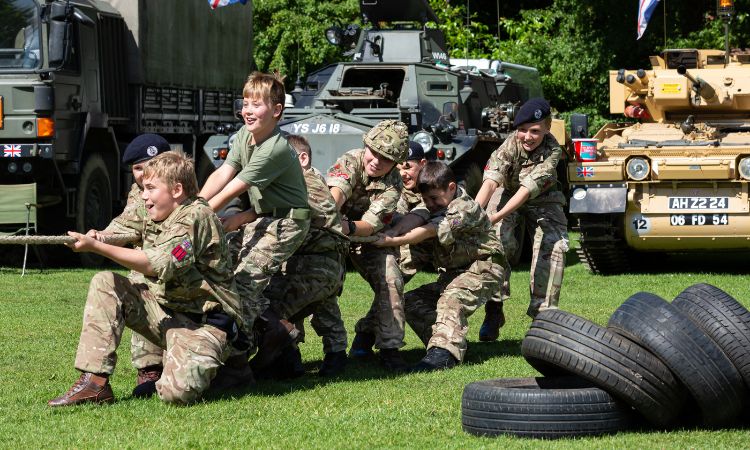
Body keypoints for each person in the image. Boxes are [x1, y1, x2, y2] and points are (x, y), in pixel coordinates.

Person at [48, 151, 245, 406]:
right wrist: (100, 236)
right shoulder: (152, 208)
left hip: (204, 325)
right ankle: (94, 384)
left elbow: (158, 264)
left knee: (176, 395)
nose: (144, 195)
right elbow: (120, 228)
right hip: (168, 314)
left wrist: (97, 248)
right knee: (106, 283)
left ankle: (230, 367)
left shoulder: (196, 217)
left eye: (151, 188)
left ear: (176, 190)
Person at [198, 71, 310, 367]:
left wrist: (198, 216)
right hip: (262, 216)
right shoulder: (245, 137)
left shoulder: (275, 147)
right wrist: (196, 205)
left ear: (276, 111)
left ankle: (235, 363)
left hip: (287, 223)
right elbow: (223, 172)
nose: (248, 110)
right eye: (245, 103)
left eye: (256, 104)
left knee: (244, 284)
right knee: (224, 272)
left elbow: (237, 186)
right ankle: (280, 333)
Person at [374, 161, 506, 371]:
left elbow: (430, 229)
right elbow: (416, 216)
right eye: (426, 199)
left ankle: (443, 355)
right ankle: (446, 342)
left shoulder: (464, 208)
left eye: (434, 198)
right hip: (454, 273)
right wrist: (393, 231)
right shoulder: (432, 203)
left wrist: (394, 241)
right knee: (412, 302)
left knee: (453, 297)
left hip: (485, 266)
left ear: (451, 188)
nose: (430, 203)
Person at [474, 98, 569, 336]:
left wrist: (494, 218)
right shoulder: (509, 145)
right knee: (496, 240)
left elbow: (526, 193)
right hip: (507, 193)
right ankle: (494, 308)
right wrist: (475, 215)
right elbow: (490, 182)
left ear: (547, 128)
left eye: (535, 131)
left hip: (543, 199)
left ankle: (542, 317)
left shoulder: (552, 152)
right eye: (522, 130)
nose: (527, 136)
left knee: (555, 245)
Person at [85, 133, 170, 395]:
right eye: (137, 168)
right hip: (152, 273)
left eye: (150, 165)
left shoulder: (185, 193)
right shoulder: (138, 195)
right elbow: (126, 224)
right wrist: (100, 237)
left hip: (184, 285)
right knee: (138, 283)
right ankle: (149, 368)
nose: (143, 175)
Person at [259, 135, 350, 378]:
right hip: (325, 262)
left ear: (302, 159)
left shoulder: (303, 181)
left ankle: (286, 360)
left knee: (272, 306)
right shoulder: (315, 180)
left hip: (314, 262)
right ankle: (335, 357)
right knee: (324, 306)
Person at [327, 119, 409, 371]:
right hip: (329, 230)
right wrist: (332, 217)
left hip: (363, 236)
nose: (375, 161)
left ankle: (390, 348)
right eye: (374, 153)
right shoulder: (351, 160)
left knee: (391, 277)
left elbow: (371, 224)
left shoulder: (394, 185)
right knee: (321, 282)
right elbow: (336, 194)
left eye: (385, 159)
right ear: (366, 146)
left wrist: (347, 227)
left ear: (395, 163)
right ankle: (323, 351)